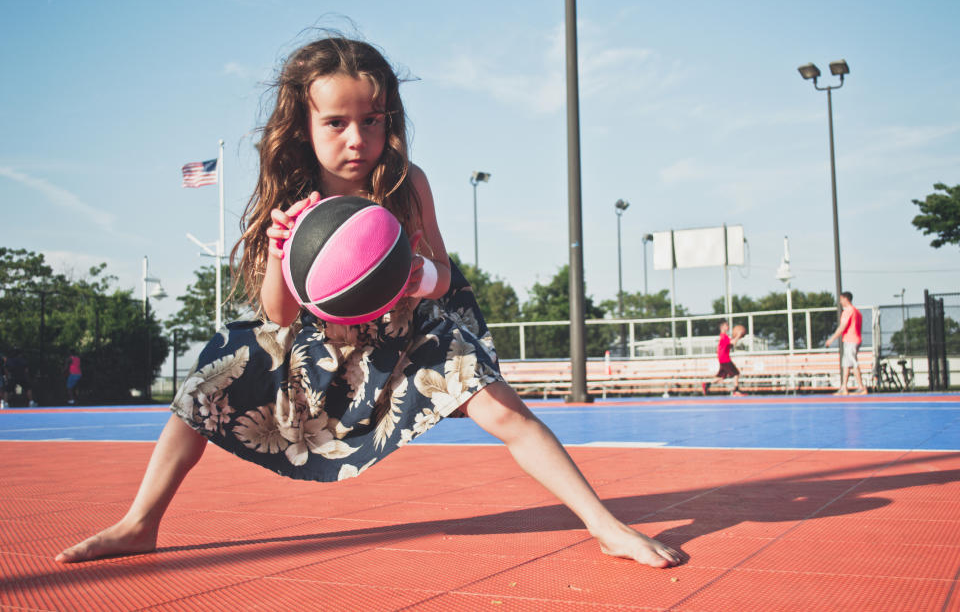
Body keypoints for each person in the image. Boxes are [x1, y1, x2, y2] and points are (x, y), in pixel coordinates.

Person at [56, 36, 684, 568]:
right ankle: (141, 522)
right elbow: (277, 315)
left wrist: (418, 277)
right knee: (212, 373)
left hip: (403, 329)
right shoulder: (291, 196)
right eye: (335, 122)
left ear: (390, 119)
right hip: (313, 343)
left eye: (373, 119)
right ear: (303, 126)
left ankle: (605, 526)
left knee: (504, 409)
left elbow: (443, 267)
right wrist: (280, 251)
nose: (357, 137)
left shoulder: (407, 184)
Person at [825, 291, 867, 395]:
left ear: (845, 298)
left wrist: (831, 339)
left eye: (841, 299)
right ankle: (844, 387)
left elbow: (842, 326)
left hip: (851, 340)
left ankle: (861, 387)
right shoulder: (857, 312)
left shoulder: (848, 311)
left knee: (853, 362)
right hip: (854, 339)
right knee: (846, 364)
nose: (840, 302)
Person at [702, 320, 745, 396]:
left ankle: (707, 384)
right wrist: (738, 335)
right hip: (725, 359)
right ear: (722, 327)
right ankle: (736, 391)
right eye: (726, 325)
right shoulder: (724, 336)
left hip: (722, 359)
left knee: (722, 377)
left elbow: (730, 345)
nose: (728, 326)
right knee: (736, 373)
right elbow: (733, 343)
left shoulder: (724, 337)